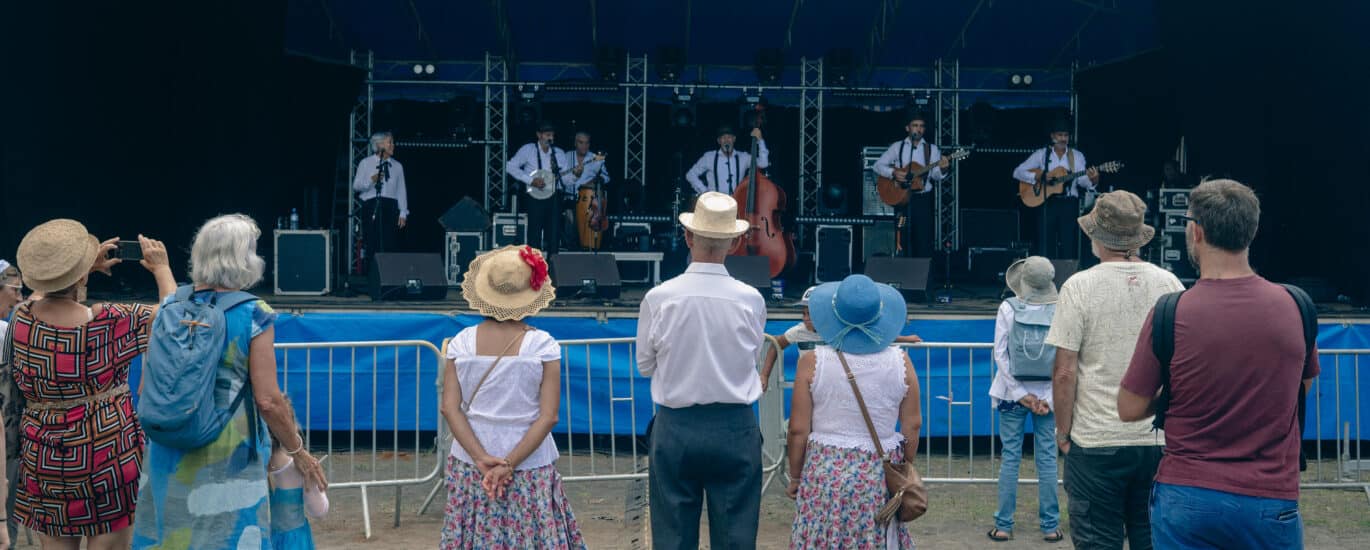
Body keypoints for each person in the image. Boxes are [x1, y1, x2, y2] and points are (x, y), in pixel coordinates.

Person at [1118, 179, 1317, 549]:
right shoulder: (1297, 306)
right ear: (1252, 231)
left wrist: (1179, 388)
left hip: (1187, 493)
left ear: (1196, 231)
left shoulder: (1171, 312)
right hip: (1270, 494)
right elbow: (1299, 387)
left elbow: (1129, 408)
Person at [133, 214, 327, 549]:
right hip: (226, 455)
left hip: (168, 451)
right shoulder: (254, 313)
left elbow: (146, 386)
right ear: (244, 259)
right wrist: (298, 452)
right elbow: (268, 399)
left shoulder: (168, 308)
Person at [7, 220, 174, 548]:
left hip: (45, 457)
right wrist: (162, 269)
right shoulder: (108, 321)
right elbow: (173, 314)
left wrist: (78, 271)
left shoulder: (22, 318)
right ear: (80, 276)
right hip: (108, 454)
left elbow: (42, 293)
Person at [1044, 191, 1183, 550]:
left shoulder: (1079, 286)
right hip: (1156, 439)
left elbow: (1064, 372)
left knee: (1097, 541)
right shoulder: (1169, 284)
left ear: (1096, 236)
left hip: (1095, 439)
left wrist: (1062, 432)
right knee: (1152, 539)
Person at [636, 191, 765, 549]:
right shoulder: (750, 299)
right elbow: (751, 358)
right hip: (734, 426)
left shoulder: (659, 297)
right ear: (736, 243)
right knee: (736, 535)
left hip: (677, 425)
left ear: (689, 237)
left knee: (672, 535)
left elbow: (645, 365)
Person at [440, 245, 585, 549]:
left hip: (471, 462)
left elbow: (450, 408)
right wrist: (509, 463)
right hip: (529, 462)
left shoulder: (461, 343)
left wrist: (481, 459)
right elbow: (549, 416)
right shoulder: (542, 346)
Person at [786, 274, 921, 549]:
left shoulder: (812, 363)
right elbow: (912, 425)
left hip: (824, 472)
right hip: (879, 471)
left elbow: (798, 429)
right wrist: (903, 464)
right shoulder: (902, 362)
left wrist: (796, 476)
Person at [987, 257, 1063, 543]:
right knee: (1047, 459)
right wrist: (1045, 398)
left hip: (1010, 393)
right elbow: (1063, 358)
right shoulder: (1059, 308)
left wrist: (1020, 395)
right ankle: (1050, 526)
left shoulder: (1008, 307)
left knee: (1010, 457)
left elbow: (1000, 354)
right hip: (1048, 395)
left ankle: (1003, 525)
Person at [761, 286, 922, 391]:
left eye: (810, 313)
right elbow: (776, 344)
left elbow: (872, 336)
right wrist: (765, 375)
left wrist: (905, 339)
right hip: (807, 384)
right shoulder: (798, 331)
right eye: (803, 313)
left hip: (833, 385)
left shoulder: (837, 330)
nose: (806, 318)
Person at [1014, 117, 1100, 259]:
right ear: (1052, 136)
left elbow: (1082, 181)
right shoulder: (1042, 154)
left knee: (1068, 242)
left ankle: (1066, 275)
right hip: (1047, 203)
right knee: (1045, 242)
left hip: (1069, 204)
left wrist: (1093, 180)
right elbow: (1017, 172)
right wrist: (1039, 177)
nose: (1063, 139)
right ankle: (1044, 273)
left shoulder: (1077, 156)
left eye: (1066, 135)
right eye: (1060, 135)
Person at [874, 111, 951, 258]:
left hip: (922, 200)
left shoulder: (931, 149)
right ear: (907, 128)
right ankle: (901, 276)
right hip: (902, 201)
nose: (919, 129)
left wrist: (943, 168)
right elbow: (878, 166)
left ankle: (923, 277)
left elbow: (935, 175)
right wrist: (893, 173)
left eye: (921, 126)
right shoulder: (898, 147)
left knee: (923, 239)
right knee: (902, 237)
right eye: (915, 125)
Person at [268, 398, 330, 549]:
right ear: (292, 427)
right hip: (295, 543)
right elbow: (320, 512)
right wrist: (310, 487)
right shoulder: (297, 467)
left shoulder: (251, 468)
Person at [507, 122, 571, 254]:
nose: (550, 138)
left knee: (554, 233)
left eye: (552, 135)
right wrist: (531, 180)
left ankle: (552, 266)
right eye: (547, 135)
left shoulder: (558, 153)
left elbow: (565, 178)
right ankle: (534, 266)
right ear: (539, 135)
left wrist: (576, 175)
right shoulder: (528, 150)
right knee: (534, 233)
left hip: (554, 196)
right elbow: (510, 166)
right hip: (534, 197)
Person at [353, 131, 410, 275]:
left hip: (390, 207)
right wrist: (371, 181)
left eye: (392, 142)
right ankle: (373, 277)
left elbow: (401, 191)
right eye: (389, 142)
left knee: (390, 242)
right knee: (372, 242)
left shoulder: (397, 166)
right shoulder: (366, 163)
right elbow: (356, 186)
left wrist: (403, 212)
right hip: (372, 206)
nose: (393, 145)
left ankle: (390, 276)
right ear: (379, 145)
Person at [685, 126, 769, 195]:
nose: (726, 140)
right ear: (719, 141)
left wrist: (760, 140)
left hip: (736, 203)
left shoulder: (743, 157)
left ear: (734, 139)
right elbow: (690, 174)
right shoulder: (709, 157)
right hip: (714, 204)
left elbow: (763, 163)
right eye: (723, 138)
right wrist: (705, 191)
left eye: (729, 137)